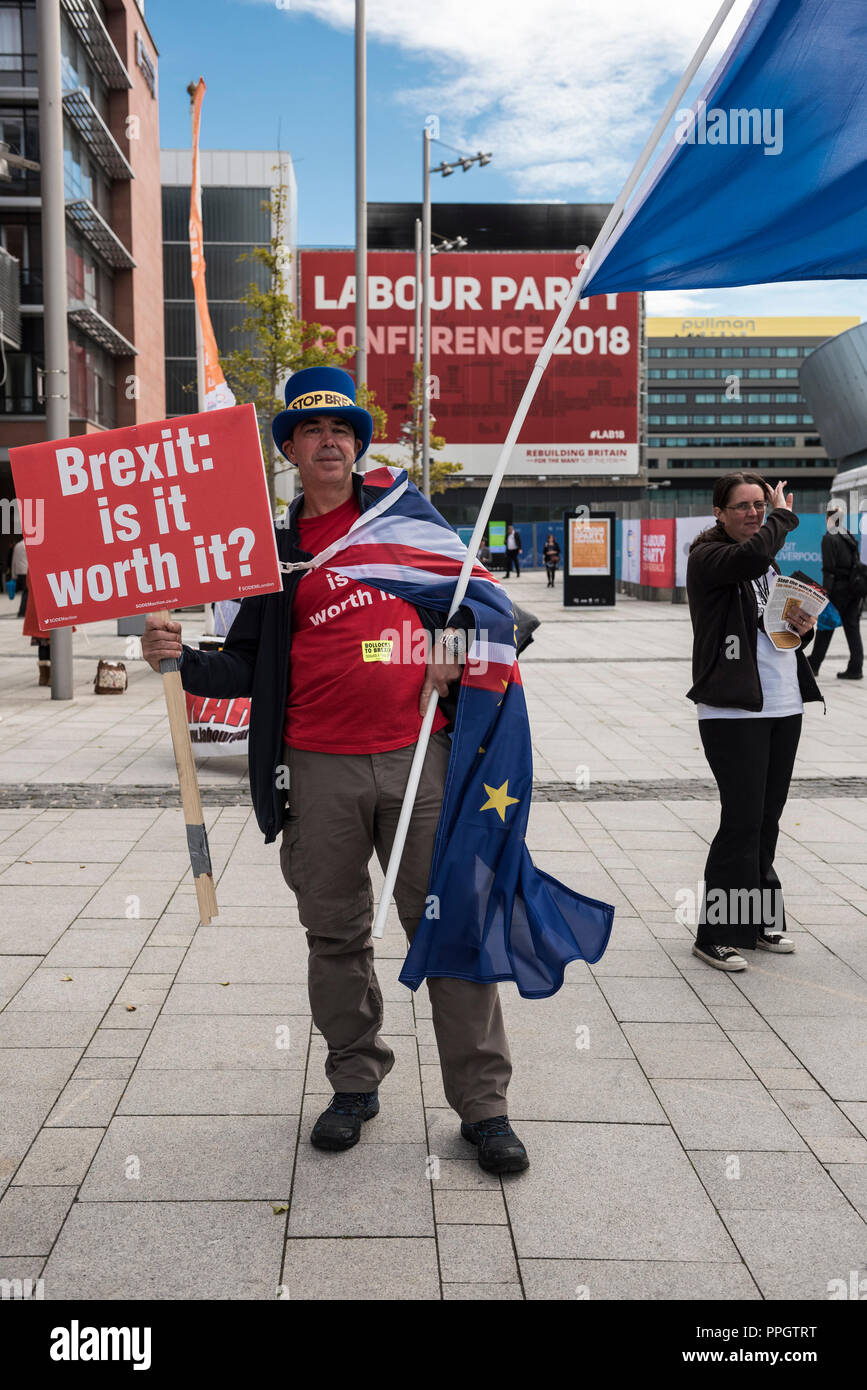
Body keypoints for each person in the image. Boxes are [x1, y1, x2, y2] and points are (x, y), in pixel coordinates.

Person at [141, 366, 528, 1175]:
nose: (329, 442)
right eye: (312, 431)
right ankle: (355, 1080)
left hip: (418, 759)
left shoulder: (406, 525)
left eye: (343, 431)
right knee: (335, 931)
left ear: (358, 446)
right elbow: (246, 664)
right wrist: (179, 658)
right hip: (315, 768)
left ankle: (483, 1106)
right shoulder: (266, 550)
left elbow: (485, 616)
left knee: (446, 924)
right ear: (289, 449)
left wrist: (446, 660)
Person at [685, 472, 822, 972]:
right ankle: (713, 933)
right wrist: (784, 518)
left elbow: (776, 634)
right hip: (732, 710)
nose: (754, 513)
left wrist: (798, 629)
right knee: (740, 820)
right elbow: (750, 556)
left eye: (760, 505)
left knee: (766, 819)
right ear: (719, 512)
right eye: (742, 506)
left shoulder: (769, 566)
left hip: (783, 705)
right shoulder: (711, 559)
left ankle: (758, 918)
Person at [807, 501, 864, 681]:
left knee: (825, 627)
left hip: (838, 590)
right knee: (852, 629)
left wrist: (826, 593)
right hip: (853, 589)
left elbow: (829, 569)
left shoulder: (829, 537)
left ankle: (814, 665)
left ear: (828, 519)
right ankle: (856, 668)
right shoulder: (848, 535)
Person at [11, 536, 28, 617]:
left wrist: (13, 574)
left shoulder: (17, 545)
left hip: (19, 572)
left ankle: (22, 611)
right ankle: (22, 612)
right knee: (26, 592)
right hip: (27, 571)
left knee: (25, 591)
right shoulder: (28, 545)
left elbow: (14, 560)